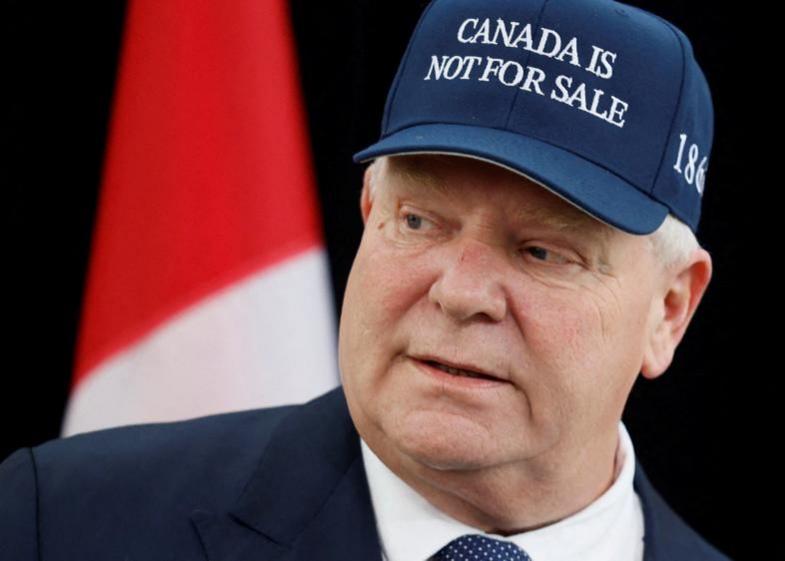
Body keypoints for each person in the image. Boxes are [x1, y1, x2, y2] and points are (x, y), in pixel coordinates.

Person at [0, 0, 728, 559]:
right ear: (368, 210)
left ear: (668, 311)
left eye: (540, 251)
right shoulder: (58, 522)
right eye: (419, 221)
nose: (459, 292)